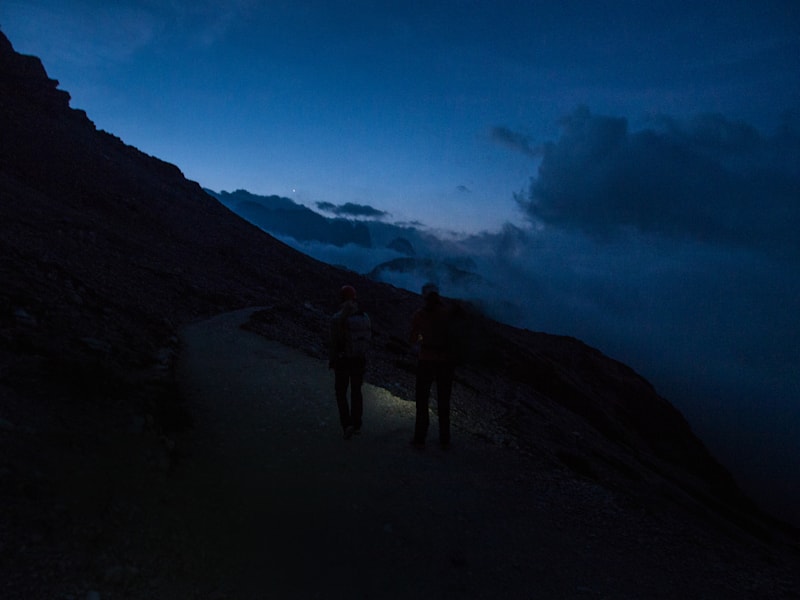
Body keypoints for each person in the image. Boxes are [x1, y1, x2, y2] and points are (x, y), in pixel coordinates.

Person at [409, 282, 454, 449]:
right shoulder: (447, 314)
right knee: (444, 400)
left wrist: (422, 341)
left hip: (425, 360)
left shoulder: (419, 315)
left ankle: (420, 438)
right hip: (445, 362)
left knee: (422, 400)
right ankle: (445, 438)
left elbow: (413, 339)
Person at [329, 285, 371, 439]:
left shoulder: (337, 319)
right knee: (356, 392)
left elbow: (334, 343)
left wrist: (332, 360)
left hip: (342, 360)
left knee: (341, 393)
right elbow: (368, 339)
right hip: (359, 360)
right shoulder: (365, 317)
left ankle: (346, 424)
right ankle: (357, 424)